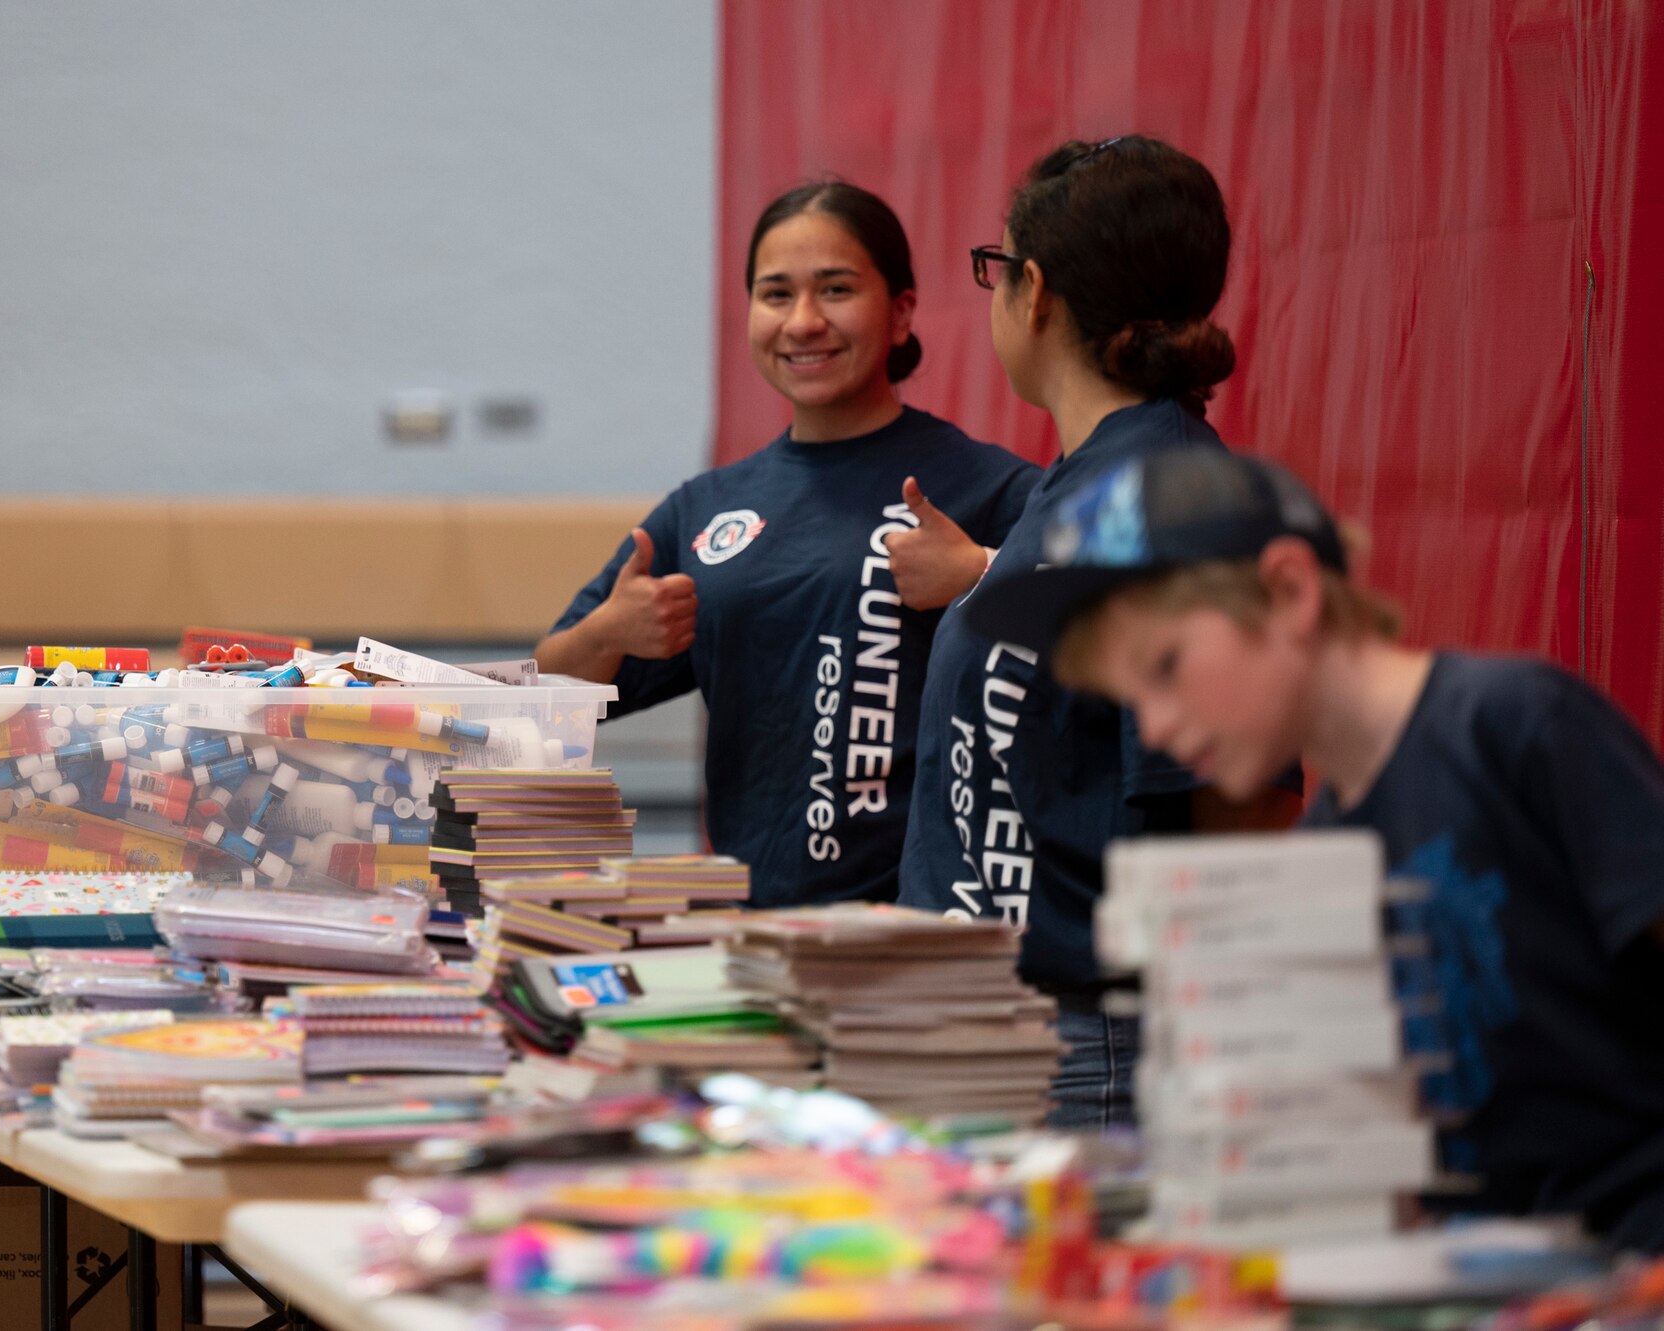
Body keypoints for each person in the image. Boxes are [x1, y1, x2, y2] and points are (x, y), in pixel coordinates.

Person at [969, 446, 1664, 1254]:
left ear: (1290, 591)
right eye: (1131, 698)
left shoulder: (1514, 724)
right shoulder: (1325, 845)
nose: (1151, 727)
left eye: (1166, 667)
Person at [898, 135, 1295, 1130]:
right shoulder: (1083, 480)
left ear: (1032, 292)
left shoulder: (1174, 501)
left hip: (1089, 1048)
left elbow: (1234, 804)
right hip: (998, 1024)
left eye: (993, 269)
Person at [536, 181, 1039, 907]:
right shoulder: (704, 511)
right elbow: (545, 697)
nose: (804, 321)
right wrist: (611, 632)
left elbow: (1090, 651)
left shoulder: (990, 490)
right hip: (746, 932)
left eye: (836, 289)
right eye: (776, 294)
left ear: (900, 313)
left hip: (922, 937)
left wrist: (979, 576)